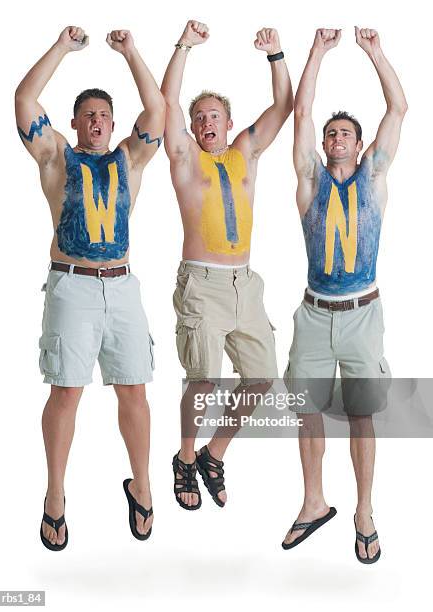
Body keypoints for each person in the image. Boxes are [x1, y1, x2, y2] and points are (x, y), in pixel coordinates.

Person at [15, 26, 165, 549]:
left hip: (122, 286)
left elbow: (158, 114)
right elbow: (25, 99)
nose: (97, 121)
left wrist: (131, 51)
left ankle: (141, 483)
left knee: (135, 391)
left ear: (112, 123)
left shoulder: (130, 157)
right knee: (66, 392)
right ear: (75, 122)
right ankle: (55, 495)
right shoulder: (57, 156)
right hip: (72, 285)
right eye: (88, 115)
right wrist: (61, 47)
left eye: (104, 114)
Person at [282, 27, 407, 563]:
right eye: (330, 133)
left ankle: (363, 512)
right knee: (305, 410)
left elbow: (398, 109)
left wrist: (375, 53)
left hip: (362, 314)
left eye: (345, 134)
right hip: (314, 314)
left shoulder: (374, 177)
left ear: (359, 145)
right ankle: (313, 503)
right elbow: (302, 111)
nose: (335, 138)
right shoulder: (310, 180)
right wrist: (317, 52)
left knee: (362, 416)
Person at [161, 20, 293, 511]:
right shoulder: (185, 158)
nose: (206, 123)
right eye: (199, 118)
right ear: (193, 128)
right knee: (204, 382)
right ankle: (185, 457)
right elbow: (166, 104)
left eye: (213, 115)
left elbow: (284, 106)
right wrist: (184, 46)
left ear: (227, 120)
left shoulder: (245, 152)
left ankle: (214, 455)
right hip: (202, 283)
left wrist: (276, 54)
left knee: (261, 380)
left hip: (246, 284)